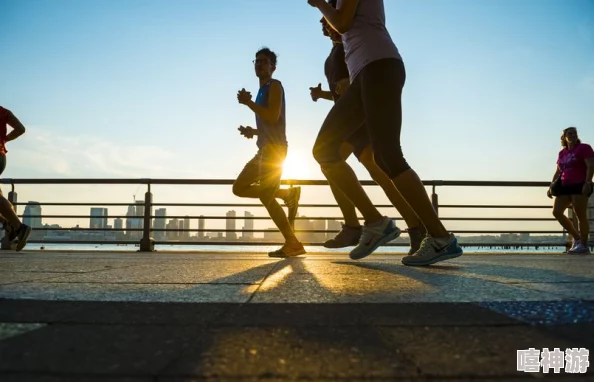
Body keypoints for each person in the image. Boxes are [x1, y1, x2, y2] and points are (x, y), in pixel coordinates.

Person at [307, 0, 463, 265]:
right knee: (337, 152)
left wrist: (319, 4)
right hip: (368, 72)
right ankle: (376, 222)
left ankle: (438, 237)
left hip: (378, 66)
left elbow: (343, 23)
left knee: (387, 156)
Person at [310, 14, 426, 254]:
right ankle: (416, 227)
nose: (325, 25)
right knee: (379, 172)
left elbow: (362, 82)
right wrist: (324, 95)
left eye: (327, 20)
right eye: (322, 23)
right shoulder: (331, 58)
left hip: (358, 120)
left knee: (330, 159)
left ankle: (356, 225)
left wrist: (349, 88)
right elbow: (344, 94)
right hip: (352, 117)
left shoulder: (349, 47)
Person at [233, 47, 306, 258]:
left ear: (273, 67)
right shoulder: (261, 90)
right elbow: (270, 123)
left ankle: (293, 242)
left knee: (265, 196)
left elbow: (273, 117)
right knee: (239, 188)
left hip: (274, 151)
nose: (259, 64)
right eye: (256, 61)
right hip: (265, 150)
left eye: (264, 61)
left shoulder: (275, 86)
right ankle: (286, 194)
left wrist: (248, 104)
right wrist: (254, 131)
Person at [547, 126, 593, 254]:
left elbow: (590, 166)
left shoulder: (584, 148)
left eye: (575, 133)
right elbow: (558, 171)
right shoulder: (562, 153)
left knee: (580, 215)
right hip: (564, 186)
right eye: (570, 133)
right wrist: (551, 187)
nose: (573, 135)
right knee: (556, 212)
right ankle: (577, 238)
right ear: (564, 137)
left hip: (579, 184)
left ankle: (584, 245)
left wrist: (588, 182)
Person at [0, 105, 32, 251]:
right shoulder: (3, 111)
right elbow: (20, 129)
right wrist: (4, 139)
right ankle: (10, 225)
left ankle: (18, 227)